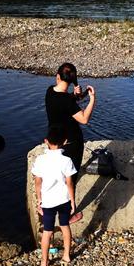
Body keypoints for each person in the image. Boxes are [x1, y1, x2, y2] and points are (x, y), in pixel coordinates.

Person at [45, 62, 96, 223]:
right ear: (73, 79)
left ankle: (46, 206)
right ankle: (69, 213)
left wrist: (75, 96)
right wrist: (92, 99)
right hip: (71, 142)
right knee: (69, 178)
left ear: (58, 76)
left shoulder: (49, 92)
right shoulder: (67, 101)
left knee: (55, 174)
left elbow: (63, 103)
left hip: (54, 140)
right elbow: (84, 119)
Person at [31, 127, 77, 266]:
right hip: (63, 200)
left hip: (48, 202)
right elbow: (69, 183)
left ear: (46, 141)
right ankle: (67, 256)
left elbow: (38, 182)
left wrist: (39, 200)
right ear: (65, 142)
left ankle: (44, 262)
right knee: (65, 226)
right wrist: (73, 200)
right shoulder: (67, 160)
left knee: (47, 232)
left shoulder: (40, 159)